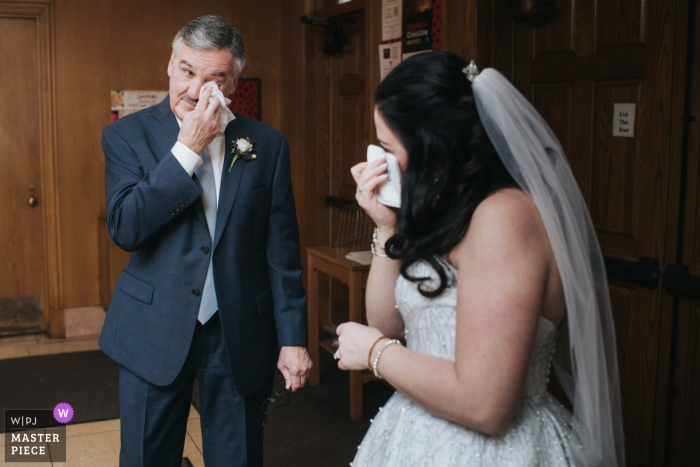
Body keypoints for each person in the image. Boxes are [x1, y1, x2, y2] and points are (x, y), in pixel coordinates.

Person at [335, 52, 625, 466]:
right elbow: (389, 323)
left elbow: (485, 405)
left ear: (430, 142)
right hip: (419, 433)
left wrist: (376, 353)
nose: (378, 163)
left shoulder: (504, 219)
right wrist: (387, 228)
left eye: (386, 147)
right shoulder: (449, 208)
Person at [99, 16, 312, 467]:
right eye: (187, 72)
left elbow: (282, 250)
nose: (196, 91)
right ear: (170, 66)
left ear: (233, 81)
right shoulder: (125, 136)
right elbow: (126, 228)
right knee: (145, 458)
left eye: (214, 77)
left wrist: (293, 337)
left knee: (237, 458)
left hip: (238, 330)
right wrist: (187, 150)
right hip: (153, 326)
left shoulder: (266, 144)